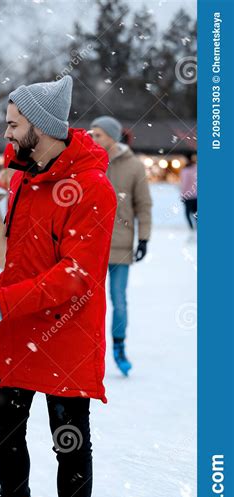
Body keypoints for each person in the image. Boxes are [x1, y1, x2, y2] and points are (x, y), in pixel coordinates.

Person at [0, 76, 117, 497]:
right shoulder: (25, 176)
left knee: (68, 441)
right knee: (1, 429)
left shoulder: (92, 188)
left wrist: (7, 301)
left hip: (67, 333)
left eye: (13, 123)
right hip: (17, 325)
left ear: (42, 128)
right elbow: (23, 259)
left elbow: (77, 275)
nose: (6, 133)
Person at [90, 116, 152, 376]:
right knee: (87, 302)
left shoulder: (134, 166)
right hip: (91, 246)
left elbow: (143, 204)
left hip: (120, 245)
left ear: (112, 137)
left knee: (118, 300)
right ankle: (91, 351)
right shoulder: (89, 162)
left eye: (98, 135)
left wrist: (144, 238)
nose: (93, 139)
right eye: (91, 134)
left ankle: (118, 346)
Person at [179, 152, 197, 232]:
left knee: (188, 213)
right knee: (195, 212)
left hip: (188, 196)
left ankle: (191, 228)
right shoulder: (196, 168)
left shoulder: (185, 170)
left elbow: (184, 184)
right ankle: (196, 227)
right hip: (196, 195)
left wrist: (183, 195)